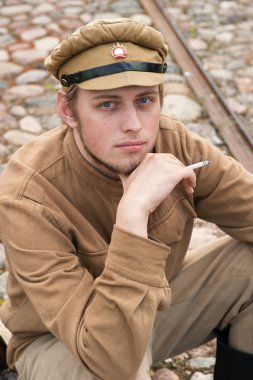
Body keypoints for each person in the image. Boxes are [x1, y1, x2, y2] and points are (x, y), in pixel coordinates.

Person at [0, 17, 253, 380]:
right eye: (108, 105)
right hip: (63, 344)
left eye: (145, 100)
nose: (133, 124)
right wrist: (132, 215)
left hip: (151, 310)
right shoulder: (28, 197)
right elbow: (110, 356)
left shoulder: (172, 141)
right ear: (68, 110)